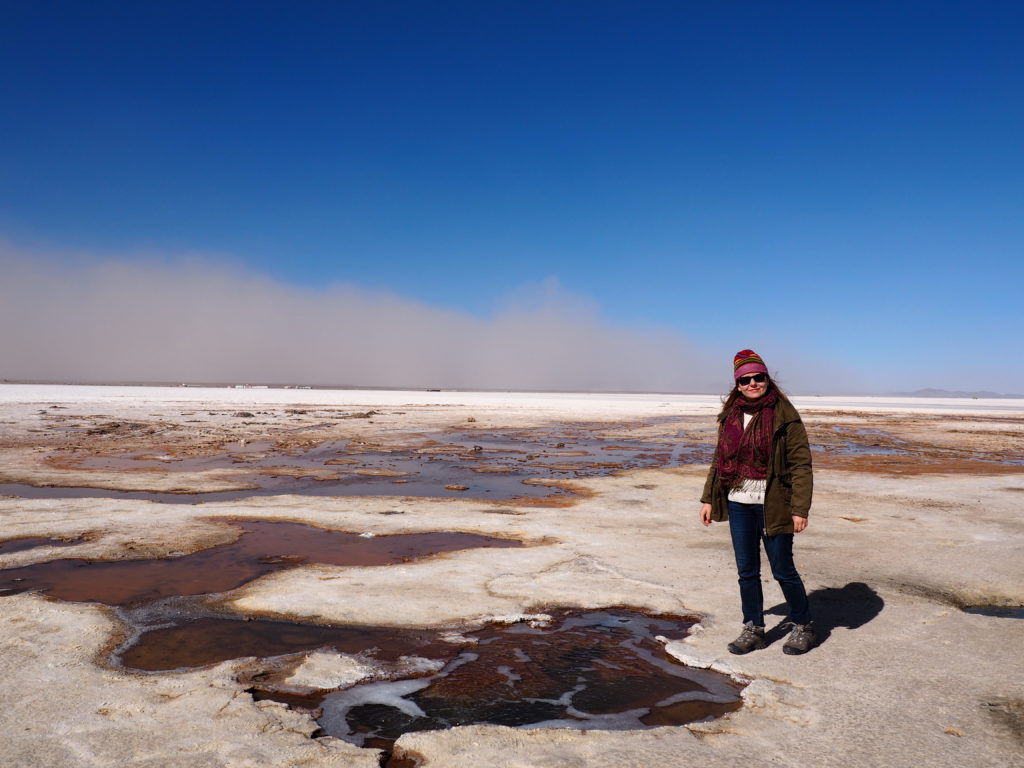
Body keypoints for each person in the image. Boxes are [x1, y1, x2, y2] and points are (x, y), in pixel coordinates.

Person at [699, 349, 815, 655]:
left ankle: (804, 625)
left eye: (758, 377)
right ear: (737, 384)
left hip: (774, 502)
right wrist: (709, 498)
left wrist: (799, 508)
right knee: (746, 570)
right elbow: (718, 460)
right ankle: (753, 627)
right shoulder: (731, 416)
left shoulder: (784, 415)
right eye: (745, 380)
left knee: (782, 569)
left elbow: (801, 465)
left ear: (767, 378)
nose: (752, 384)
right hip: (738, 501)